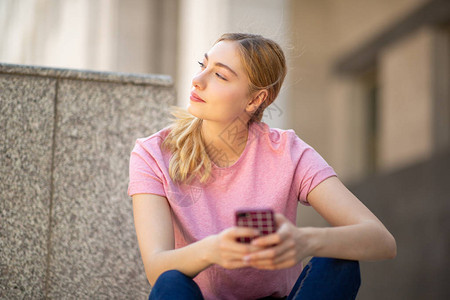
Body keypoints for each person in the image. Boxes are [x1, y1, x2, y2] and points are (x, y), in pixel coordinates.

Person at [128, 33, 396, 300]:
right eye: (203, 66)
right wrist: (213, 249)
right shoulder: (153, 153)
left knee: (340, 261)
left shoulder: (287, 152)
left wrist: (303, 241)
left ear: (255, 100)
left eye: (220, 76)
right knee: (170, 282)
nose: (197, 81)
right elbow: (156, 269)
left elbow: (382, 240)